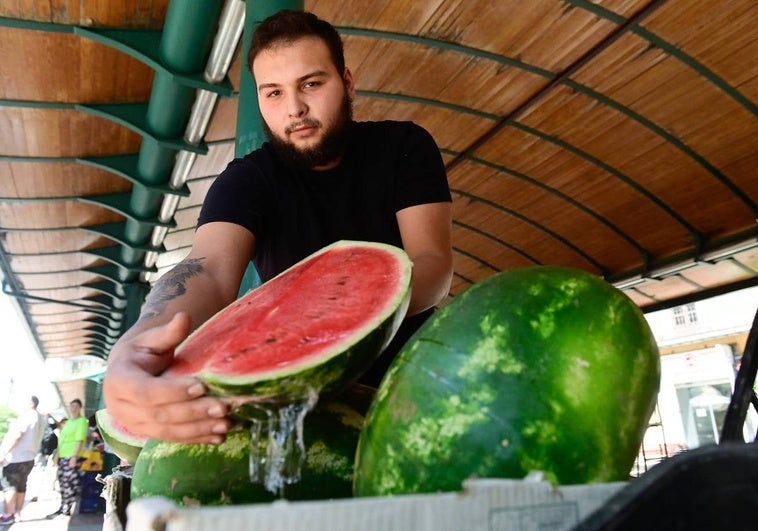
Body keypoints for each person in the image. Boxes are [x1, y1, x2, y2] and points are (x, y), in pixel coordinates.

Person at [104, 9, 453, 445]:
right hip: (301, 402)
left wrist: (348, 315)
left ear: (346, 82)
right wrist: (136, 341)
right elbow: (206, 269)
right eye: (273, 93)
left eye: (311, 84)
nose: (295, 108)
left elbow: (433, 261)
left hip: (416, 381)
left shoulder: (403, 146)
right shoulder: (246, 180)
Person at [0, 396, 45, 524]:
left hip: (15, 457)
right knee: (21, 485)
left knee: (9, 486)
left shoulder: (27, 415)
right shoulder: (40, 418)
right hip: (30, 457)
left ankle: (8, 514)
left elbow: (18, 434)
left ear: (31, 403)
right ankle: (17, 513)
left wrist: (4, 452)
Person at [47, 400, 88, 518]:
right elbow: (62, 440)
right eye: (71, 406)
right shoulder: (69, 422)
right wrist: (56, 456)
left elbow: (79, 440)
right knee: (63, 482)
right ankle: (63, 506)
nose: (73, 408)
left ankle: (67, 508)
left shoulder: (81, 421)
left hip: (72, 456)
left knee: (70, 482)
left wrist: (74, 457)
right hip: (63, 455)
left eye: (75, 406)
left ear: (80, 408)